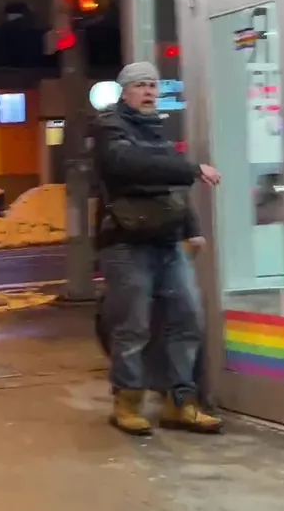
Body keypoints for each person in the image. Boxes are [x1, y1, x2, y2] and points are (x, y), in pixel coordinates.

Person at [93, 61, 223, 436]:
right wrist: (191, 169)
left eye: (153, 85)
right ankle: (127, 403)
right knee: (132, 327)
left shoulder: (158, 131)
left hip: (167, 241)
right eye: (140, 85)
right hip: (126, 243)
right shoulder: (110, 127)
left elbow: (170, 189)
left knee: (187, 319)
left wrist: (191, 229)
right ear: (124, 92)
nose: (149, 92)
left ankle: (179, 402)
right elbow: (131, 165)